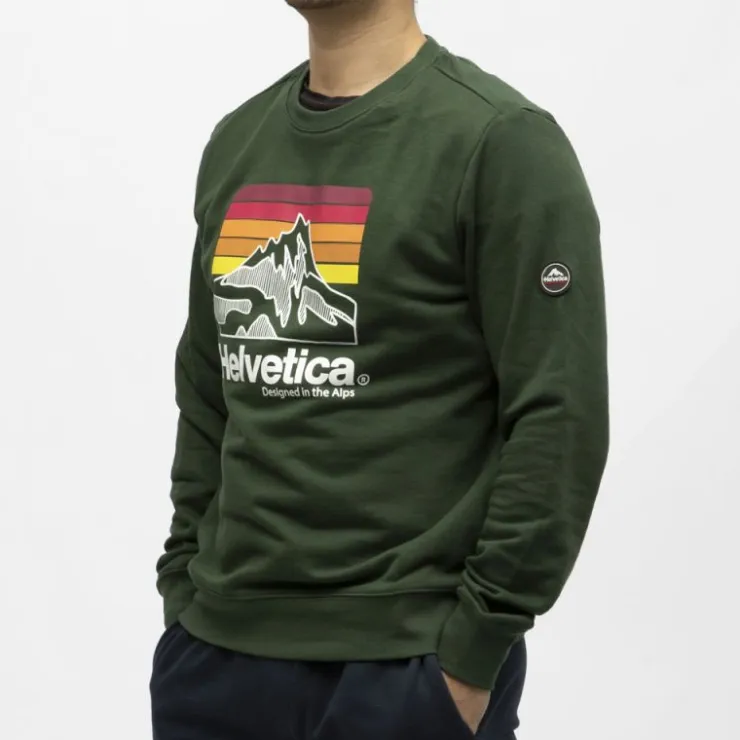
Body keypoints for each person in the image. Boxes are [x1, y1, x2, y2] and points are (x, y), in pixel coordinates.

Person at [149, 1, 610, 738]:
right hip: (216, 660)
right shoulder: (238, 142)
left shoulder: (501, 142)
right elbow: (206, 392)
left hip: (406, 668)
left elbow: (560, 415)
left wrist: (473, 650)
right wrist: (182, 595)